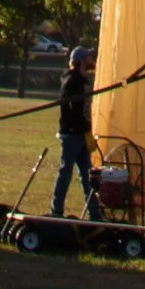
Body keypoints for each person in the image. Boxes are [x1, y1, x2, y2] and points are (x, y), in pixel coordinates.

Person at [51, 44, 100, 217]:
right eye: (87, 58)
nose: (91, 61)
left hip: (82, 134)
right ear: (79, 62)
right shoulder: (71, 80)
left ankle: (95, 214)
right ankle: (56, 211)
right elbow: (72, 105)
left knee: (88, 177)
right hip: (72, 135)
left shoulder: (83, 80)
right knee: (65, 174)